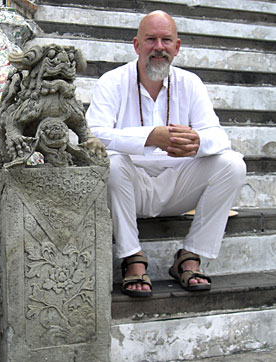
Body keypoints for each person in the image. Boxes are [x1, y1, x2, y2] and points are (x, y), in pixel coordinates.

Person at [86, 10, 246, 297]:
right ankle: (132, 257)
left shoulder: (191, 83)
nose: (158, 47)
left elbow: (219, 135)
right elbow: (92, 134)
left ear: (177, 46)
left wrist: (198, 142)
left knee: (232, 164)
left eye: (166, 40)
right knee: (110, 161)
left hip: (178, 187)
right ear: (137, 45)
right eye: (151, 39)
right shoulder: (112, 81)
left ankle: (190, 256)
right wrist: (150, 137)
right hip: (128, 190)